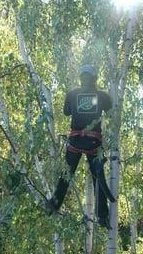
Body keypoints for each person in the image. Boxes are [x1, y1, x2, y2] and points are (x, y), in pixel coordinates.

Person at [46, 64, 115, 229]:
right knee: (98, 179)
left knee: (66, 175)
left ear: (81, 78)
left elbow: (66, 112)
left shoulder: (71, 95)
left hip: (75, 142)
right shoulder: (103, 96)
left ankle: (54, 203)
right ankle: (103, 216)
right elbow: (111, 110)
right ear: (95, 78)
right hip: (93, 143)